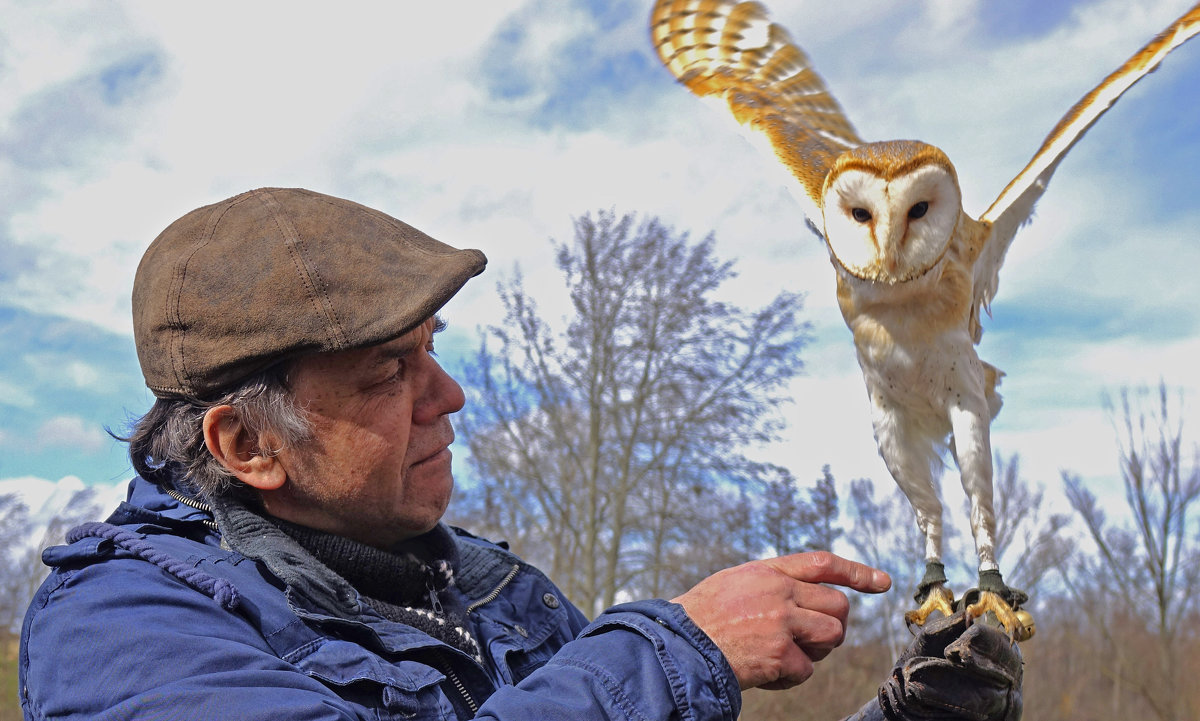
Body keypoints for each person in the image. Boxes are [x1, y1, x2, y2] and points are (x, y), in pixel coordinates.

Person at [18, 188, 1022, 721]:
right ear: (247, 444)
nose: (448, 397)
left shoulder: (499, 595)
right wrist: (680, 650)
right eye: (387, 374)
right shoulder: (123, 627)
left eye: (433, 354)